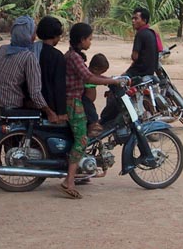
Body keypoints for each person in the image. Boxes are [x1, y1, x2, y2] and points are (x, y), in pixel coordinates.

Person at [59, 23, 121, 199]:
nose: (90, 42)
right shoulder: (74, 57)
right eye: (89, 39)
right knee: (82, 139)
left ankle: (78, 172)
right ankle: (68, 181)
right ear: (82, 40)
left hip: (75, 100)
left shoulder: (75, 56)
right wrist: (113, 82)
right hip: (73, 102)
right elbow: (89, 77)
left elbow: (91, 75)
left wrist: (112, 79)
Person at [0, 15, 59, 123]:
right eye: (33, 33)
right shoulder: (28, 57)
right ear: (29, 36)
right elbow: (35, 93)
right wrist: (49, 112)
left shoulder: (3, 49)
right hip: (9, 103)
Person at [99, 7, 161, 125]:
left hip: (138, 72)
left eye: (136, 18)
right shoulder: (152, 33)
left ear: (144, 20)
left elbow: (134, 57)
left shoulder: (140, 34)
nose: (133, 21)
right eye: (132, 18)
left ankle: (106, 119)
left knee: (114, 88)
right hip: (149, 72)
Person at [33, 15, 68, 122]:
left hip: (32, 102)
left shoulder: (31, 50)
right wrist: (62, 112)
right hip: (49, 105)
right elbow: (59, 86)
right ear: (55, 36)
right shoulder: (57, 56)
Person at [82, 53, 109, 137]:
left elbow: (101, 77)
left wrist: (110, 80)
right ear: (95, 69)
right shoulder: (88, 76)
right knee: (92, 114)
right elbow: (97, 79)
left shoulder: (93, 74)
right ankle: (91, 129)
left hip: (89, 101)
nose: (100, 75)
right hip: (86, 101)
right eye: (100, 72)